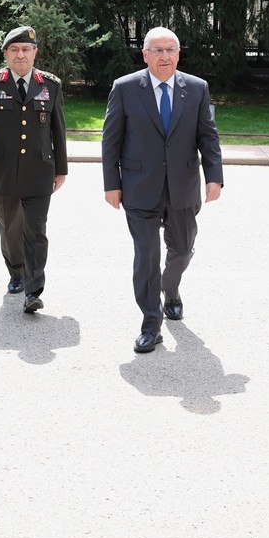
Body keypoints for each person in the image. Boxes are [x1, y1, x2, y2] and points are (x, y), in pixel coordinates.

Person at [101, 27, 224, 353]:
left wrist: (215, 176)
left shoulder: (197, 89)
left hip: (183, 187)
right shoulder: (126, 88)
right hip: (139, 188)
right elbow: (110, 140)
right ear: (145, 55)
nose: (165, 56)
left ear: (179, 54)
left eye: (170, 49)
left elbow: (208, 137)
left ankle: (171, 290)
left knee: (182, 250)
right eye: (157, 50)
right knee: (147, 256)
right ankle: (150, 324)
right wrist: (111, 184)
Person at [0, 26, 68, 311]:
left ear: (35, 53)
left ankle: (33, 290)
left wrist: (62, 168)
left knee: (36, 230)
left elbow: (58, 129)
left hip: (39, 171)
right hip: (4, 170)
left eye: (26, 49)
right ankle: (16, 272)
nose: (20, 54)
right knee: (10, 230)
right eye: (14, 49)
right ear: (6, 54)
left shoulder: (50, 85)